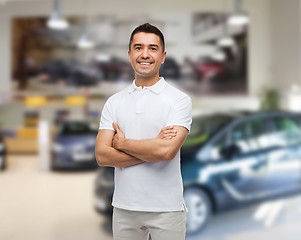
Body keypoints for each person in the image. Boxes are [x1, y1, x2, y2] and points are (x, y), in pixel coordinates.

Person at [95, 23, 192, 240]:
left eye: (152, 48)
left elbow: (166, 152)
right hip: (124, 208)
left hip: (167, 209)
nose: (145, 54)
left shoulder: (179, 101)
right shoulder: (114, 102)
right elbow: (102, 156)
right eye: (138, 48)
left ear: (163, 56)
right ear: (129, 55)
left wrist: (122, 144)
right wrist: (151, 148)